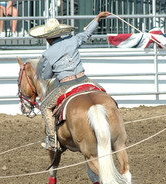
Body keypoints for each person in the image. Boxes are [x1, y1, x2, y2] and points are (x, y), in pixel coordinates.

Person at [29, 11, 110, 151]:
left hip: (66, 85)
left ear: (47, 38)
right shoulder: (72, 40)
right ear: (60, 33)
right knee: (105, 95)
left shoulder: (48, 54)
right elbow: (86, 35)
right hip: (84, 79)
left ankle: (53, 141)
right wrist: (97, 19)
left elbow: (47, 75)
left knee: (45, 107)